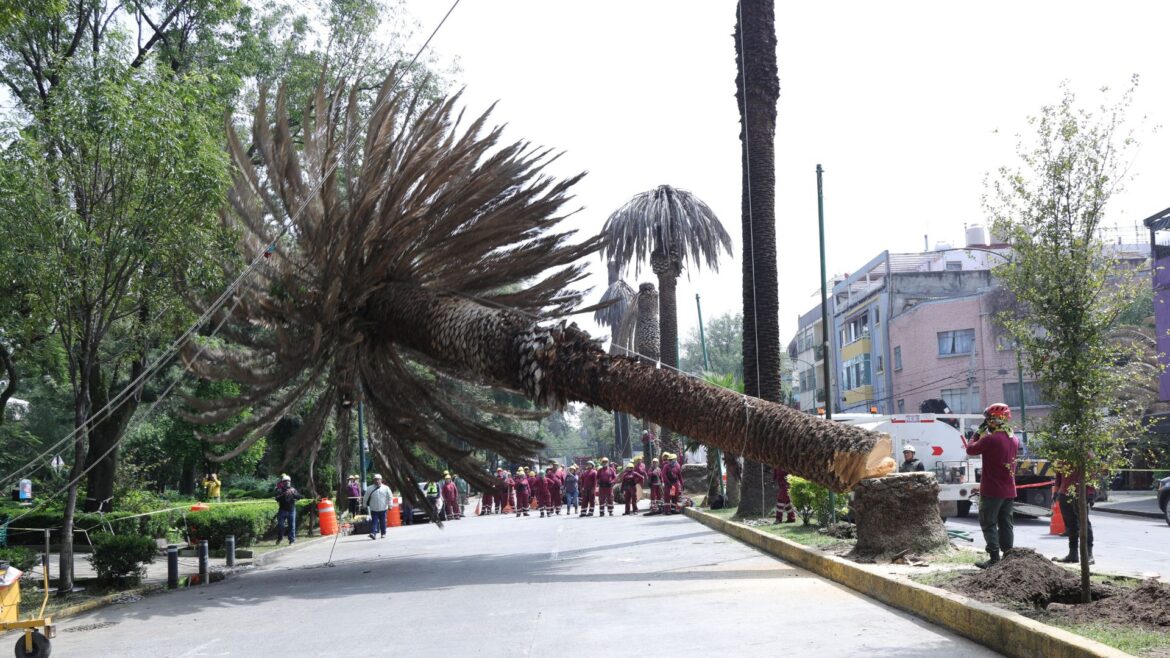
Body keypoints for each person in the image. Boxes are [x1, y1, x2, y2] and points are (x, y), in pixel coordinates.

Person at [966, 403, 1019, 568]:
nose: (988, 422)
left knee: (988, 523)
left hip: (991, 490)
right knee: (1006, 524)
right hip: (1009, 490)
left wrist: (977, 433)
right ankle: (1008, 557)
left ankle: (994, 558)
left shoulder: (990, 439)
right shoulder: (1014, 439)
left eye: (989, 419)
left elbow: (970, 449)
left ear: (996, 420)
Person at [1052, 464, 1094, 564]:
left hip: (1080, 493)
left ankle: (1089, 555)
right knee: (1070, 525)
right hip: (1064, 493)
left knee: (1084, 524)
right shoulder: (1062, 454)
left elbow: (1092, 474)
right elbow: (1058, 475)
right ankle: (1073, 553)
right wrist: (1056, 491)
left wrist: (1091, 493)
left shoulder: (1084, 452)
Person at [363, 473, 393, 539]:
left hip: (383, 508)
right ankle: (373, 533)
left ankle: (383, 533)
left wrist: (390, 505)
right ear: (373, 480)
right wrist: (364, 505)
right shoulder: (369, 488)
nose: (377, 481)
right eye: (375, 480)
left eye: (378, 479)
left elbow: (390, 497)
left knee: (383, 521)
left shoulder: (386, 488)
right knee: (374, 521)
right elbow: (365, 497)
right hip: (374, 508)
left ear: (381, 480)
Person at [275, 475, 301, 544]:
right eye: (285, 482)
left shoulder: (293, 489)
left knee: (292, 526)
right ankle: (280, 538)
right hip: (282, 510)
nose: (287, 483)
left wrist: (293, 493)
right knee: (280, 525)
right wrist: (284, 494)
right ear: (282, 482)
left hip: (291, 510)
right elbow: (277, 499)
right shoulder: (279, 490)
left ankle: (291, 540)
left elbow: (299, 497)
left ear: (290, 482)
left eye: (288, 481)